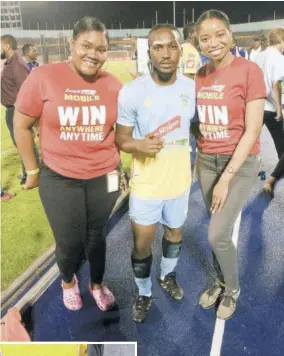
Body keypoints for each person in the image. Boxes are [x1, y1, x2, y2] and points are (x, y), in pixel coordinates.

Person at [13, 17, 122, 312]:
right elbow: (21, 124)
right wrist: (32, 169)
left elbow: (122, 131)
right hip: (60, 176)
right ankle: (68, 282)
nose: (93, 54)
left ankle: (97, 284)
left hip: (104, 175)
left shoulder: (113, 84)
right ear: (71, 44)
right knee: (70, 241)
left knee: (97, 237)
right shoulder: (44, 77)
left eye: (101, 49)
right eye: (86, 45)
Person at [115, 24, 196, 322]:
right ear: (148, 52)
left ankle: (167, 276)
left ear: (180, 50)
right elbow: (120, 138)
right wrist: (138, 144)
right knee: (142, 243)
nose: (165, 53)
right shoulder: (132, 92)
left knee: (174, 234)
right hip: (146, 184)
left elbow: (198, 130)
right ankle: (144, 291)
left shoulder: (191, 88)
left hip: (179, 182)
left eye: (171, 46)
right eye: (158, 47)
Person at [194, 9, 266, 320]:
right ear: (198, 43)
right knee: (215, 228)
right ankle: (219, 280)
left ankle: (232, 289)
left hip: (239, 162)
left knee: (216, 233)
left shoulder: (249, 70)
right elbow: (195, 119)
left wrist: (226, 178)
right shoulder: (200, 74)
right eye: (205, 38)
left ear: (231, 35)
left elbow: (252, 130)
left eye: (219, 34)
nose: (213, 43)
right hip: (206, 161)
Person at [1, 34, 40, 185]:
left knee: (26, 142)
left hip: (18, 111)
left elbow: (27, 91)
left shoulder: (17, 64)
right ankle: (27, 173)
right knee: (20, 143)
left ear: (7, 46)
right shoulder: (11, 63)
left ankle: (34, 175)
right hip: (12, 110)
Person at [255, 28, 284, 159]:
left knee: (250, 141)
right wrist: (278, 107)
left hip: (257, 105)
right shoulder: (279, 58)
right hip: (271, 107)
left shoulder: (259, 56)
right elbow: (275, 83)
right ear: (281, 40)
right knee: (281, 143)